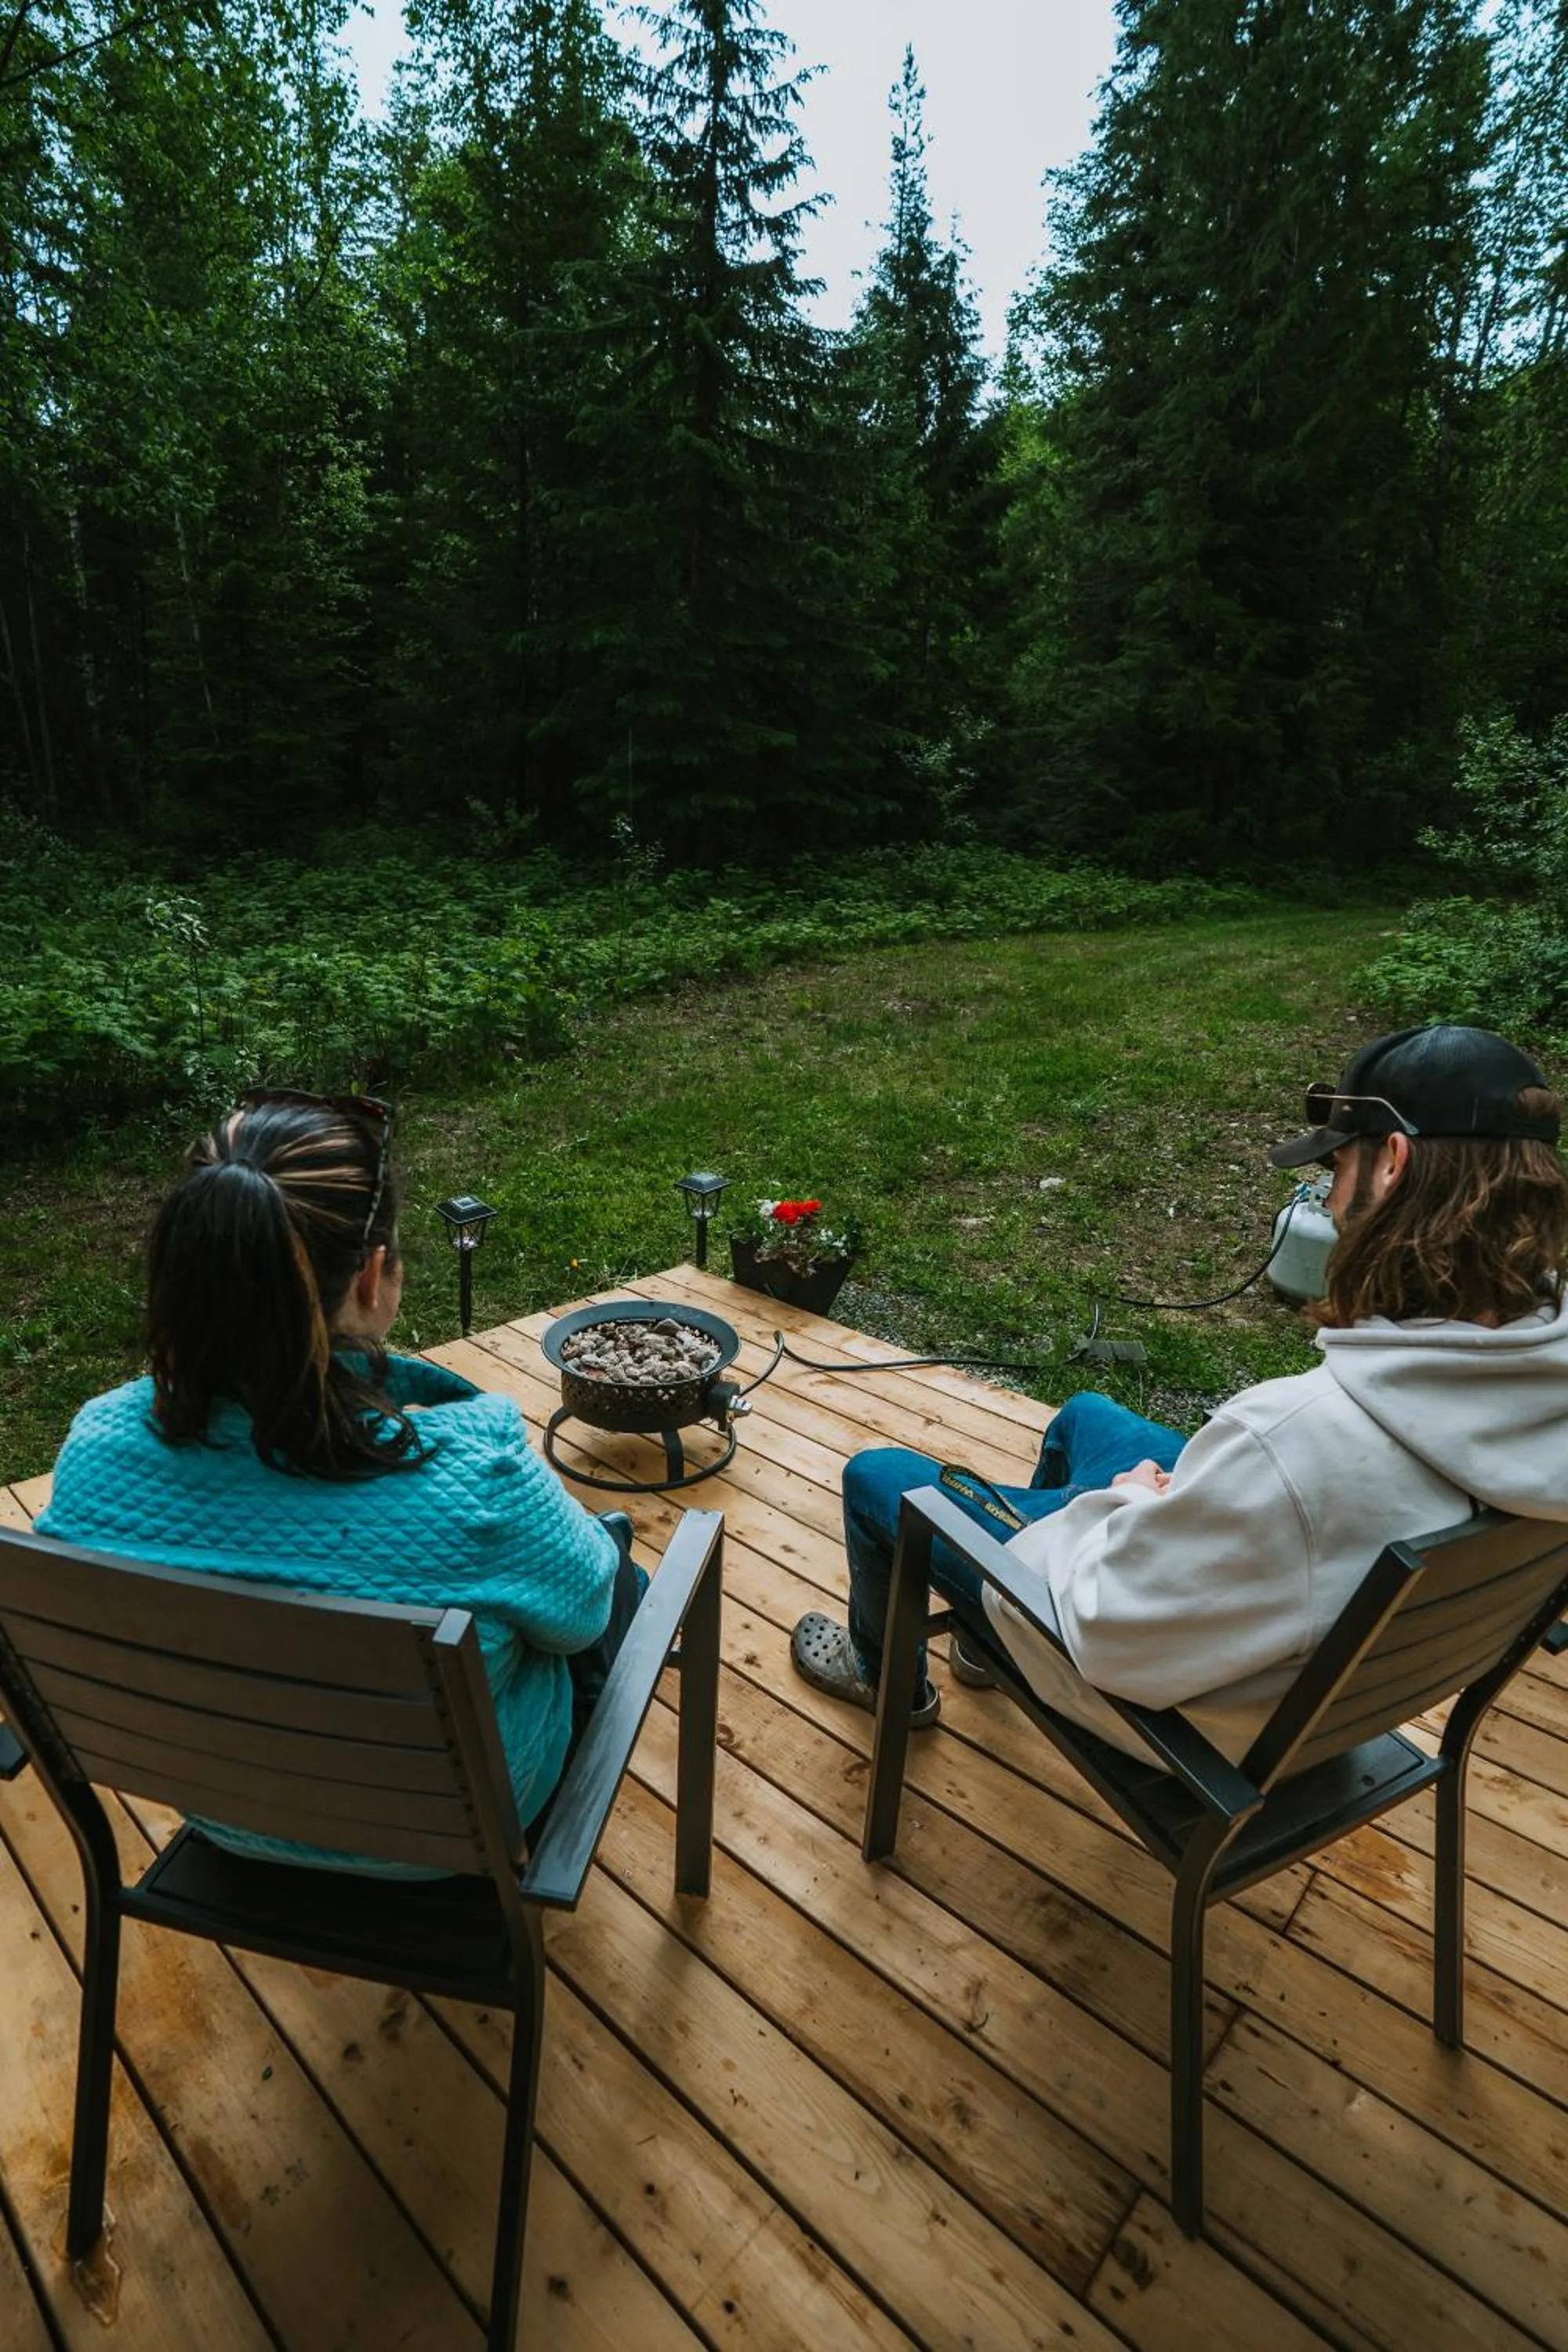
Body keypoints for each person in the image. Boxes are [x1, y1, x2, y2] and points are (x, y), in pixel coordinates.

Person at [792, 1024, 1568, 1761]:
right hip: (1321, 1687)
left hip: (1200, 1731)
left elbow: (1107, 1635)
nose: (1329, 1200)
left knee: (879, 1481)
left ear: (1391, 1162)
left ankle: (895, 1680)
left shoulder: (1294, 1436)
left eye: (1335, 1169)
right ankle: (984, 1647)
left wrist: (1126, 1506)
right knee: (1084, 1417)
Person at [37, 1090, 634, 1872]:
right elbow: (581, 1622)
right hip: (448, 1839)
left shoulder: (95, 1453)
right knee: (611, 1577)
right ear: (370, 1276)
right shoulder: (476, 1470)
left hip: (226, 1815)